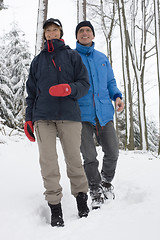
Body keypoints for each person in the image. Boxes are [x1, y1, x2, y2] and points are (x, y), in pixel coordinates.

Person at [24, 18, 90, 227]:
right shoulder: (37, 61)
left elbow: (84, 84)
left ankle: (81, 199)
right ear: (44, 35)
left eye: (55, 30)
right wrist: (28, 118)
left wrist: (70, 89)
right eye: (48, 30)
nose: (51, 33)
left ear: (61, 33)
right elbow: (31, 93)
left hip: (69, 116)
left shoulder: (72, 56)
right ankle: (55, 207)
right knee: (48, 163)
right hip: (43, 117)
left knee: (74, 160)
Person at [75, 21, 124, 210]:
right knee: (89, 156)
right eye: (81, 31)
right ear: (77, 36)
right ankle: (94, 188)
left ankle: (105, 182)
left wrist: (117, 96)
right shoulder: (72, 57)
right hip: (82, 114)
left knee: (112, 152)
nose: (85, 33)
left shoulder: (102, 58)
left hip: (104, 113)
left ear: (93, 35)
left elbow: (110, 81)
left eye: (88, 30)